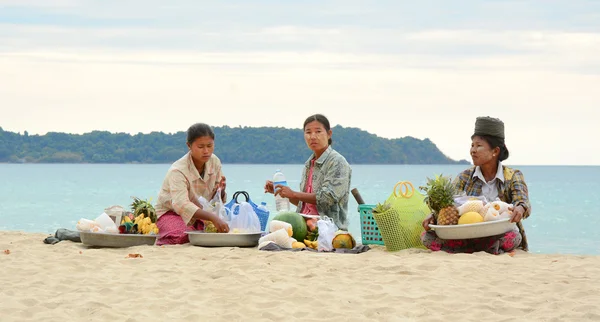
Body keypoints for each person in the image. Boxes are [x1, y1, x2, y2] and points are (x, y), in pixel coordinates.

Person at [421, 116, 532, 254]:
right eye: (472, 145)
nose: (473, 150)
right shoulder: (465, 177)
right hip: (467, 234)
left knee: (514, 237)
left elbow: (522, 201)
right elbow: (449, 204)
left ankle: (468, 250)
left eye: (479, 146)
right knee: (426, 237)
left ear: (495, 151)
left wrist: (520, 208)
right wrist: (433, 215)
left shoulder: (513, 175)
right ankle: (487, 250)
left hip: (498, 234)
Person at [264, 114, 352, 230]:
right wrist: (283, 193)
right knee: (271, 232)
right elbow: (305, 204)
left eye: (318, 131)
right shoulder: (309, 164)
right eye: (308, 132)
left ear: (329, 134)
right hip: (303, 225)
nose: (313, 137)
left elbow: (327, 199)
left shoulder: (338, 162)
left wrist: (294, 193)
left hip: (328, 228)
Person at [155, 123, 229, 245]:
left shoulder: (214, 161)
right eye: (200, 147)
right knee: (182, 236)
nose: (206, 151)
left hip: (201, 214)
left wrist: (221, 191)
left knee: (220, 230)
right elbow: (181, 204)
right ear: (189, 145)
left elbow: (216, 201)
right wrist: (212, 218)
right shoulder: (178, 170)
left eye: (209, 146)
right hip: (171, 213)